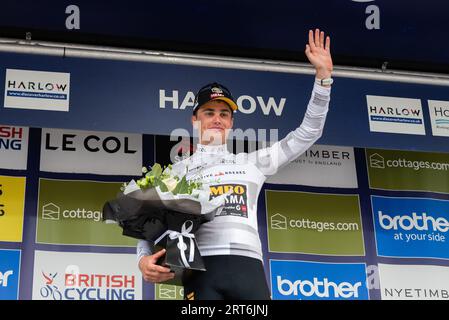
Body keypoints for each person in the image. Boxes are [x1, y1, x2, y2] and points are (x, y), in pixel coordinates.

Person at [137, 28, 333, 300]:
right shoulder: (175, 172)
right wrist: (143, 259)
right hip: (201, 271)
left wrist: (323, 79)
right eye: (209, 112)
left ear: (231, 123)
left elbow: (308, 132)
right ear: (195, 120)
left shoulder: (254, 163)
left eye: (224, 114)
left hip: (248, 269)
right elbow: (147, 224)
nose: (217, 119)